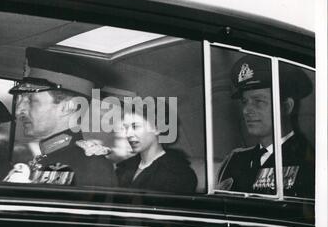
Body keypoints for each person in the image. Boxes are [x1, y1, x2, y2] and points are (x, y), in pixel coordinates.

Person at [6, 47, 117, 187]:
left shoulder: (91, 166)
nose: (18, 110)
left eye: (31, 100)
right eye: (21, 100)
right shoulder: (43, 157)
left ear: (68, 107)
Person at [217, 54, 315, 198]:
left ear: (287, 107)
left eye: (258, 101)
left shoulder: (309, 161)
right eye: (244, 102)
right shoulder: (235, 161)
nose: (246, 110)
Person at [115, 99, 198, 194]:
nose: (128, 134)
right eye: (126, 128)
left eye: (135, 127)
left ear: (157, 128)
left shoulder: (178, 174)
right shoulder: (123, 168)